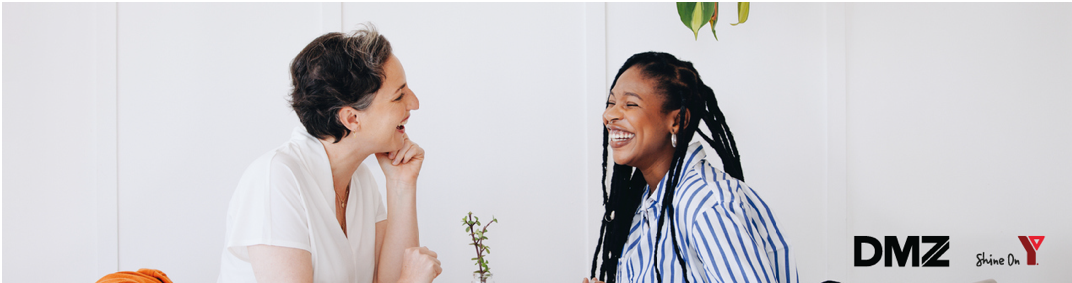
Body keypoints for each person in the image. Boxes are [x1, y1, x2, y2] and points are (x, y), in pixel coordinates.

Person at [217, 25, 441, 283]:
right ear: (351, 118)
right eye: (399, 95)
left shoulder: (361, 181)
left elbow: (388, 280)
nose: (414, 103)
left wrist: (401, 184)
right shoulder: (275, 179)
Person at [586, 52, 797, 283]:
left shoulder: (706, 204)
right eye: (611, 103)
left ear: (677, 121)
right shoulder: (647, 201)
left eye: (630, 104)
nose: (609, 115)